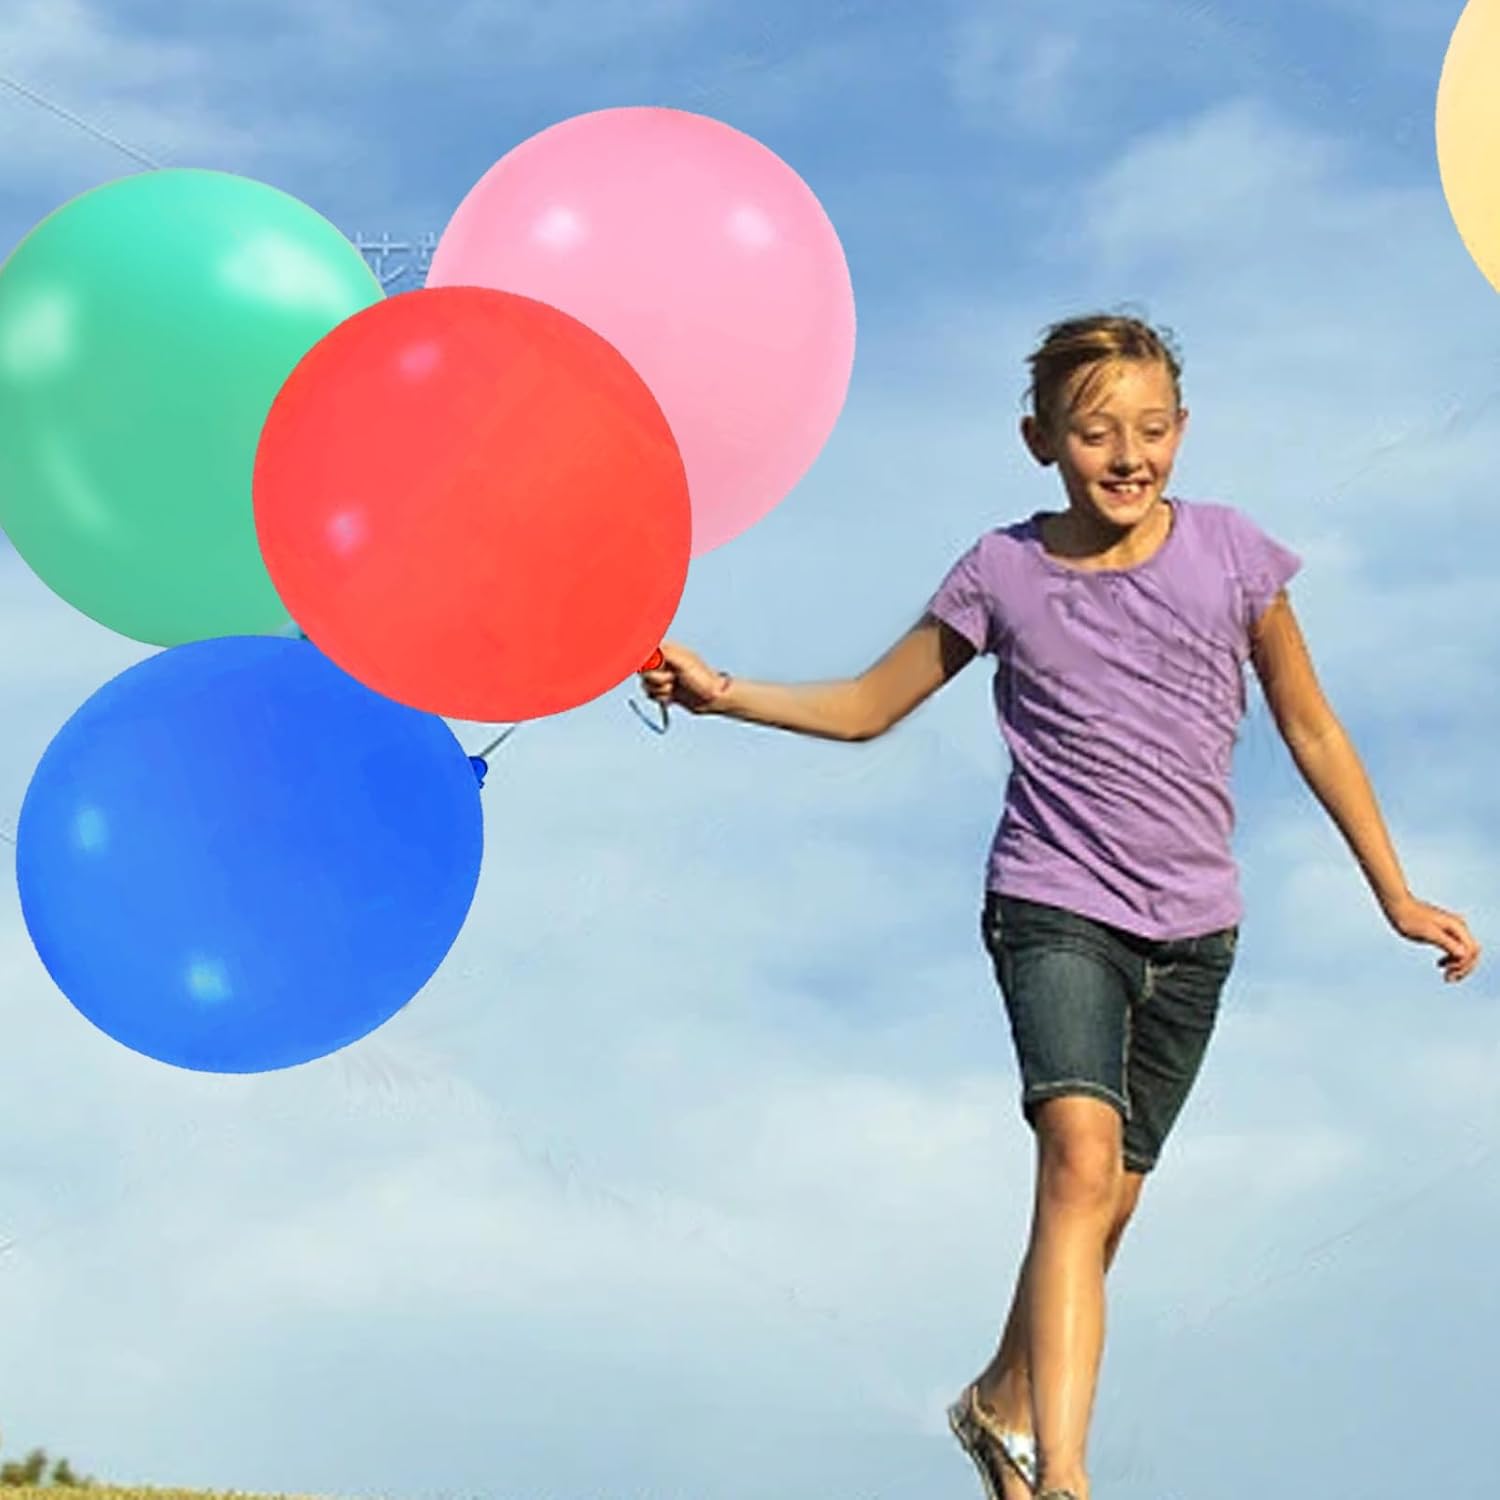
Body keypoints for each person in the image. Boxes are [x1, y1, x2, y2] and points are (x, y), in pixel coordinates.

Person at [637, 312, 1482, 1500]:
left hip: (1196, 931)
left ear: (1183, 429)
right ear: (1040, 440)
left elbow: (1312, 727)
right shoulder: (1003, 571)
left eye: (1151, 429)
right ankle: (1065, 1473)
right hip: (1055, 905)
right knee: (1078, 1163)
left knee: (1105, 1206)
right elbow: (873, 706)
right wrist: (723, 693)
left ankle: (999, 1401)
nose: (1128, 456)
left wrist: (1394, 892)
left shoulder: (1234, 556)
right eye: (1096, 433)